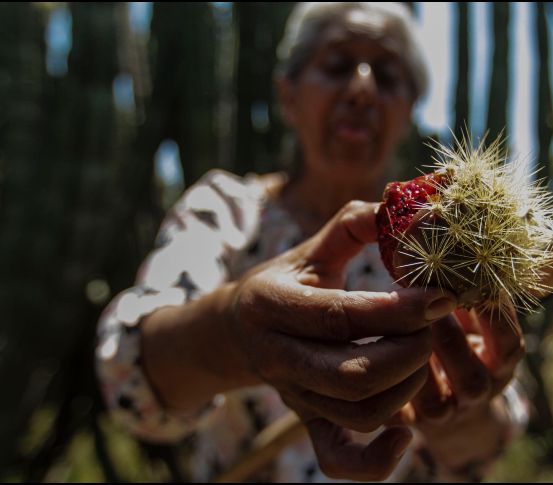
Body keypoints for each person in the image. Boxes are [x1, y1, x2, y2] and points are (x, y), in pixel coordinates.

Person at [96, 2, 528, 482]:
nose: (362, 88)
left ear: (408, 111)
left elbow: (490, 436)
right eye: (337, 66)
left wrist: (459, 410)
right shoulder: (224, 210)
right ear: (288, 95)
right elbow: (131, 372)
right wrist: (234, 332)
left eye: (387, 77)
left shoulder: (455, 241)